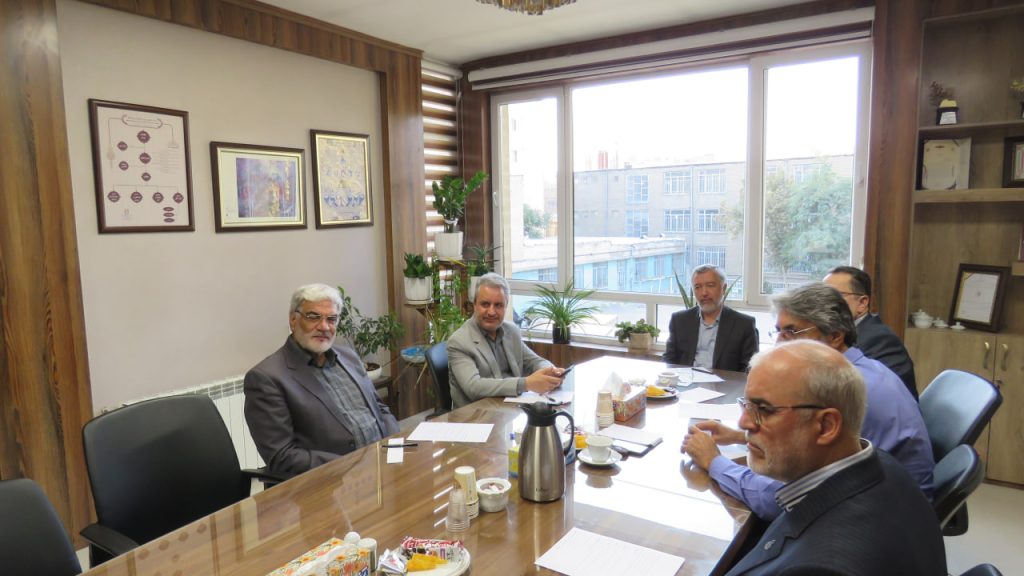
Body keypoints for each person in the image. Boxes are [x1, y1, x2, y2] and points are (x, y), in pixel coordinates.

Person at [683, 282, 934, 520]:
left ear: (835, 336)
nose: (779, 343)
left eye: (792, 332)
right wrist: (741, 437)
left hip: (879, 521)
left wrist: (715, 462)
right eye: (779, 331)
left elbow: (781, 500)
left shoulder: (848, 392)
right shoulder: (863, 369)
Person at [721, 341, 946, 576]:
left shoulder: (818, 568)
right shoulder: (885, 465)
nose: (743, 422)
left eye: (764, 409)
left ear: (826, 426)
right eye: (746, 405)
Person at [244, 283, 399, 475]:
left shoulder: (349, 357)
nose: (324, 326)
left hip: (383, 466)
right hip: (332, 481)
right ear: (293, 320)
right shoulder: (267, 378)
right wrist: (352, 465)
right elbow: (282, 456)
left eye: (331, 319)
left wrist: (394, 445)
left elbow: (379, 408)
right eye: (313, 317)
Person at [448, 273, 566, 408]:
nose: (491, 312)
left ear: (506, 307)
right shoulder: (459, 342)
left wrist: (550, 373)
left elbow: (534, 361)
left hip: (511, 410)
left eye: (498, 305)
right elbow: (473, 387)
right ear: (474, 305)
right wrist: (526, 384)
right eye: (485, 304)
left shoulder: (511, 331)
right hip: (476, 415)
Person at [824, 265, 919, 400]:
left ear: (862, 303)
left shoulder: (879, 339)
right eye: (821, 296)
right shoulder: (840, 332)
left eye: (834, 296)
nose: (823, 304)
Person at [663, 265, 758, 372]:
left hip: (724, 382)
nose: (704, 293)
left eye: (710, 285)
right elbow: (669, 360)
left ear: (724, 288)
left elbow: (749, 370)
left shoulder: (743, 325)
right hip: (686, 380)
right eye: (698, 287)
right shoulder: (679, 321)